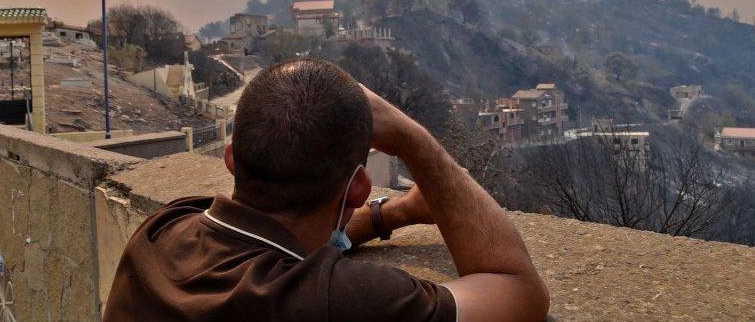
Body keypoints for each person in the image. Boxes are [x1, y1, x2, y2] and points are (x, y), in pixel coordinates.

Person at [104, 59, 549, 321]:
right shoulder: (341, 301)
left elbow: (286, 240)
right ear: (357, 187)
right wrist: (413, 139)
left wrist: (389, 215)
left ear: (231, 158)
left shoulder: (164, 230)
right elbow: (518, 291)